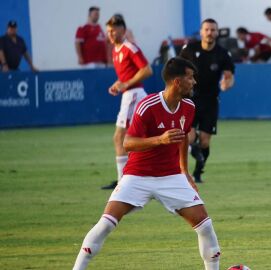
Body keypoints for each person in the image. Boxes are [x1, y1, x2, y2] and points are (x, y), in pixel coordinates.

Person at [73, 57, 222, 270]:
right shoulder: (148, 105)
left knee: (205, 226)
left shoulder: (188, 106)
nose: (194, 82)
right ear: (177, 81)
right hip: (137, 175)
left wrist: (184, 172)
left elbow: (181, 139)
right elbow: (128, 143)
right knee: (106, 224)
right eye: (190, 78)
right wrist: (159, 140)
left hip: (171, 176)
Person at [179, 18, 235, 183]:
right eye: (207, 29)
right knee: (188, 137)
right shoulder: (189, 49)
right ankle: (183, 171)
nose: (210, 33)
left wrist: (227, 84)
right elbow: (176, 70)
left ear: (217, 33)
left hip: (210, 101)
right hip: (189, 100)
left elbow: (229, 76)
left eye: (213, 30)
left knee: (204, 141)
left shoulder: (222, 54)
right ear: (201, 31)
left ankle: (198, 171)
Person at [100, 14, 153, 189]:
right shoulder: (116, 50)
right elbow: (126, 76)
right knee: (141, 137)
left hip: (134, 94)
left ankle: (123, 182)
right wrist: (118, 84)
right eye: (108, 31)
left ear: (123, 30)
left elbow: (147, 70)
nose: (111, 34)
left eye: (114, 30)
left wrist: (126, 84)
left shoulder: (129, 47)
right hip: (129, 94)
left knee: (119, 137)